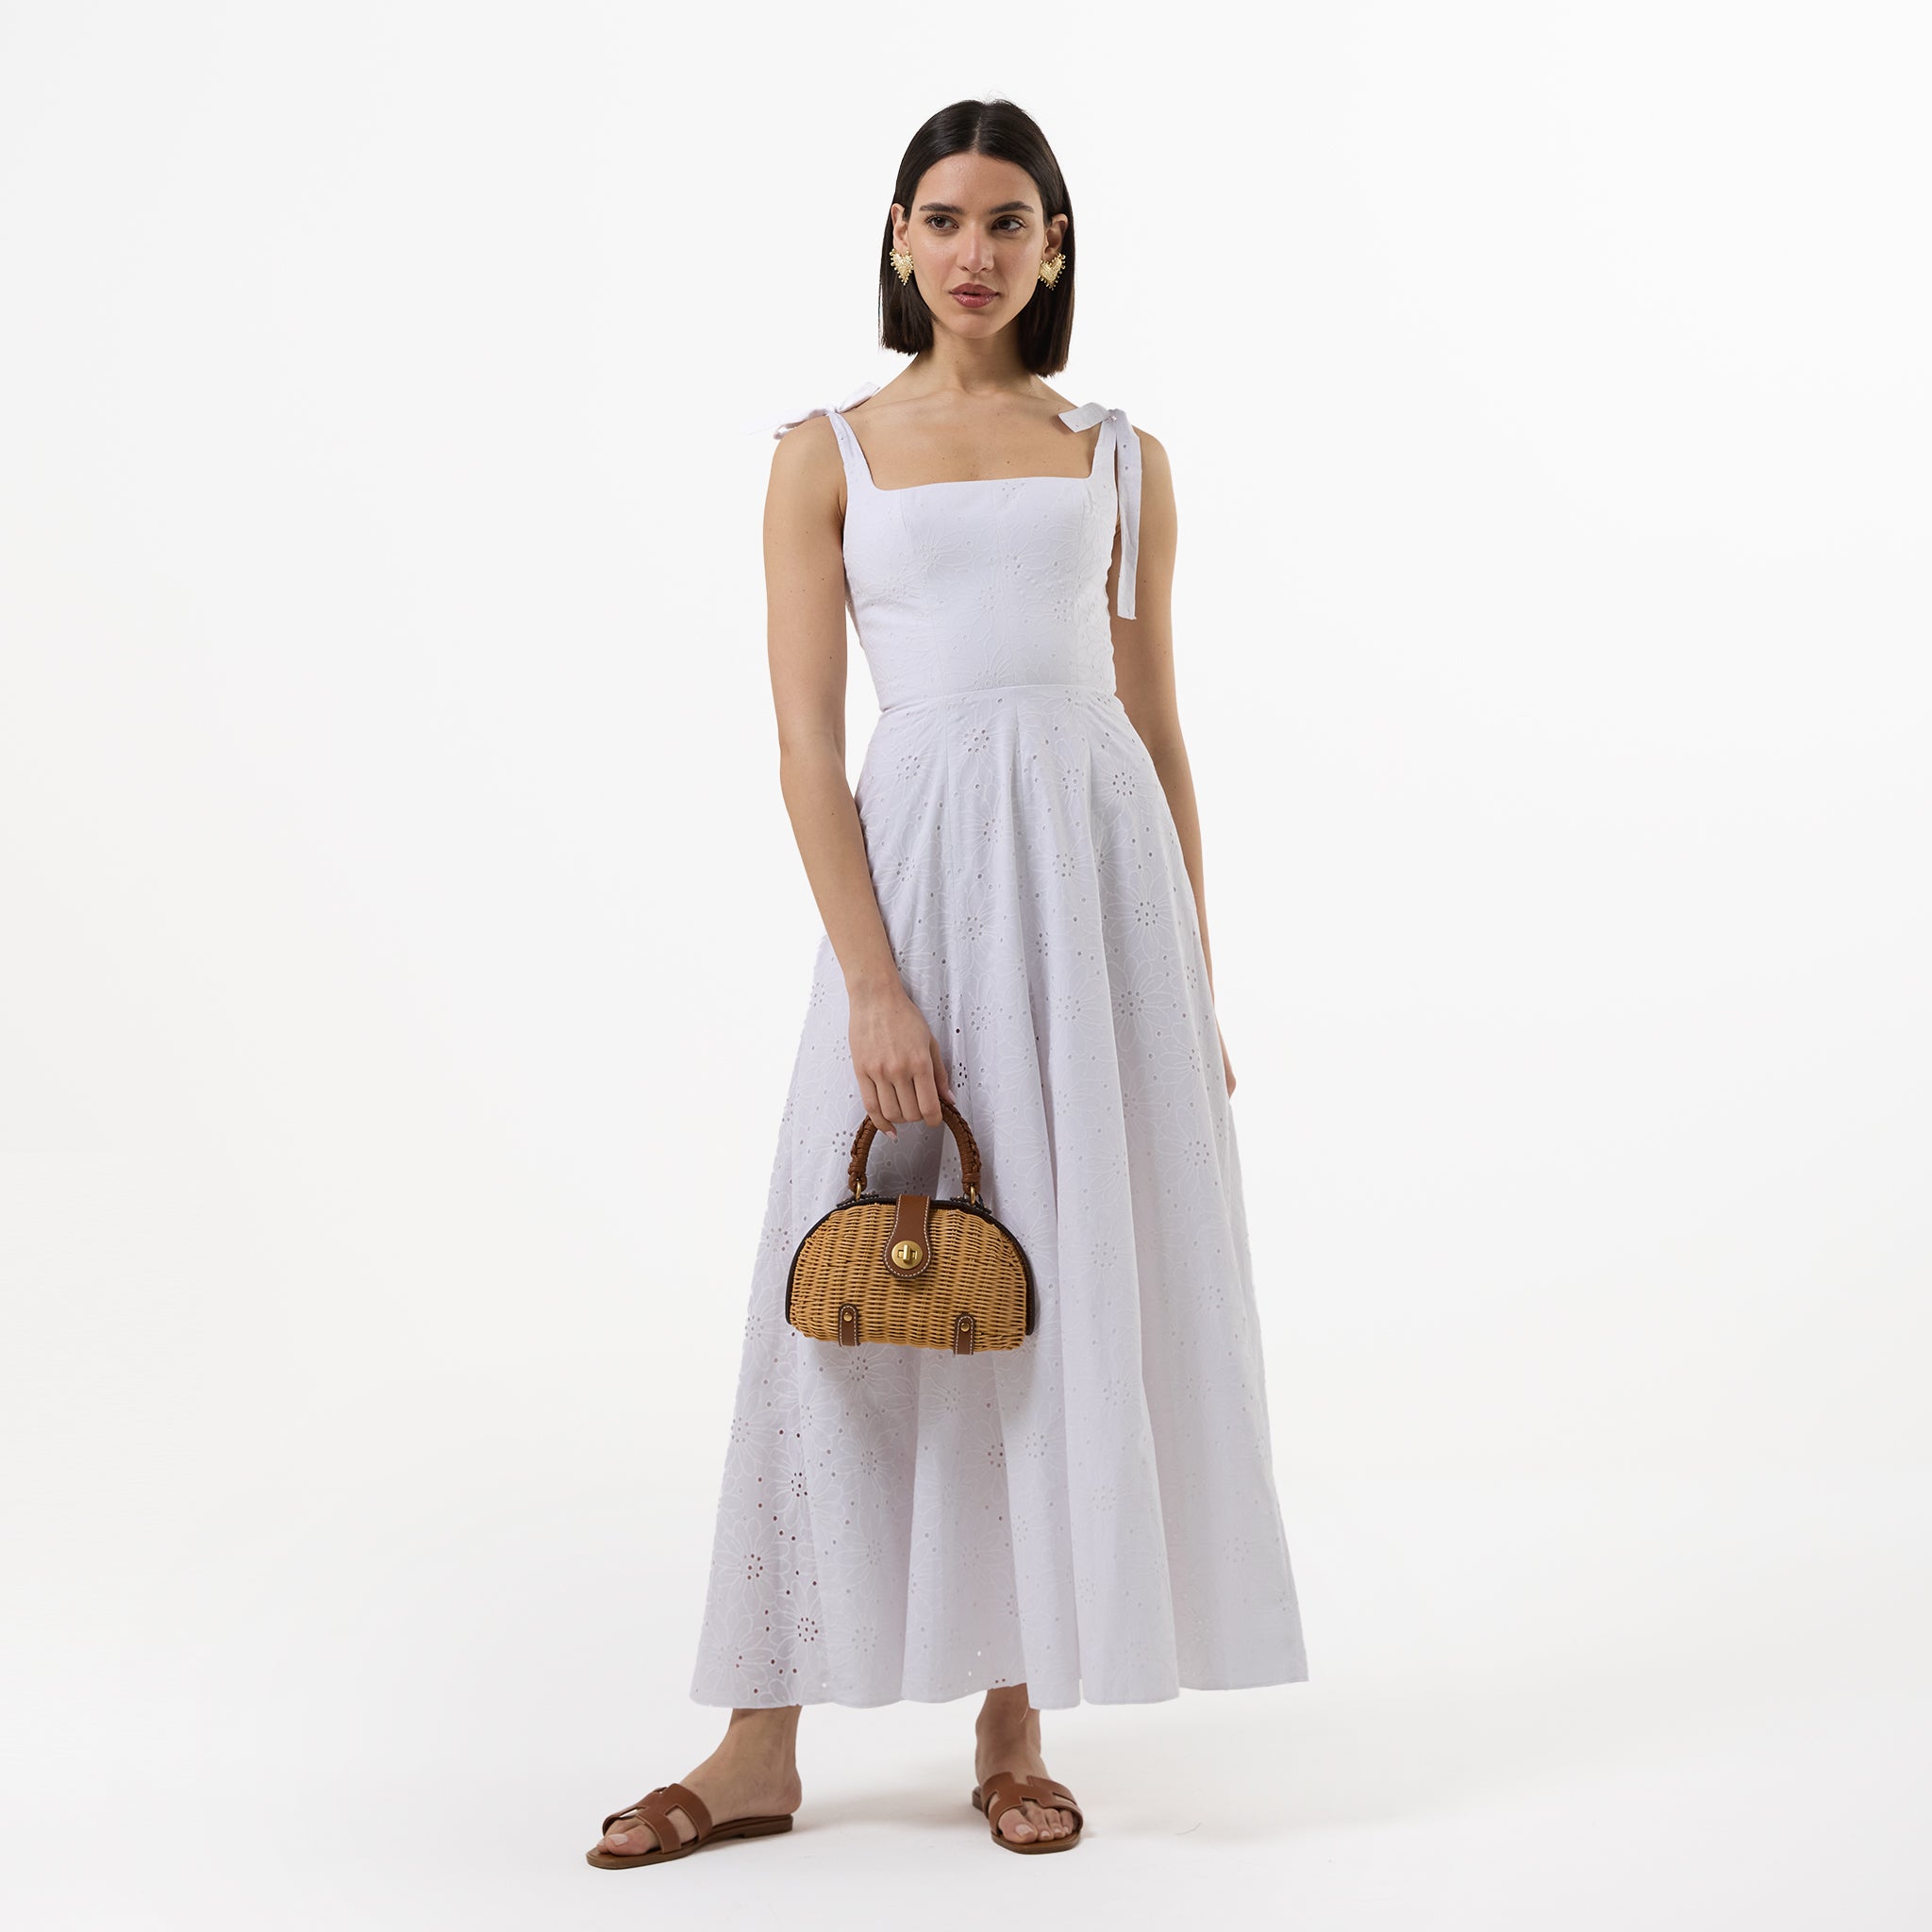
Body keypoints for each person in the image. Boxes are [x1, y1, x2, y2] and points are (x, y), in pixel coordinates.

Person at [589, 95, 1308, 1871]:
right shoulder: (824, 453)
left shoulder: (1120, 455)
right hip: (916, 888)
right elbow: (803, 748)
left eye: (1006, 221)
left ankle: (1015, 1722)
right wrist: (873, 989)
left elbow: (1155, 723)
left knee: (1051, 1287)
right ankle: (757, 1744)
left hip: (1100, 903)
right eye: (942, 218)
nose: (972, 252)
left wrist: (1193, 978)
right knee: (838, 1295)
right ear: (897, 240)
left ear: (1055, 248)